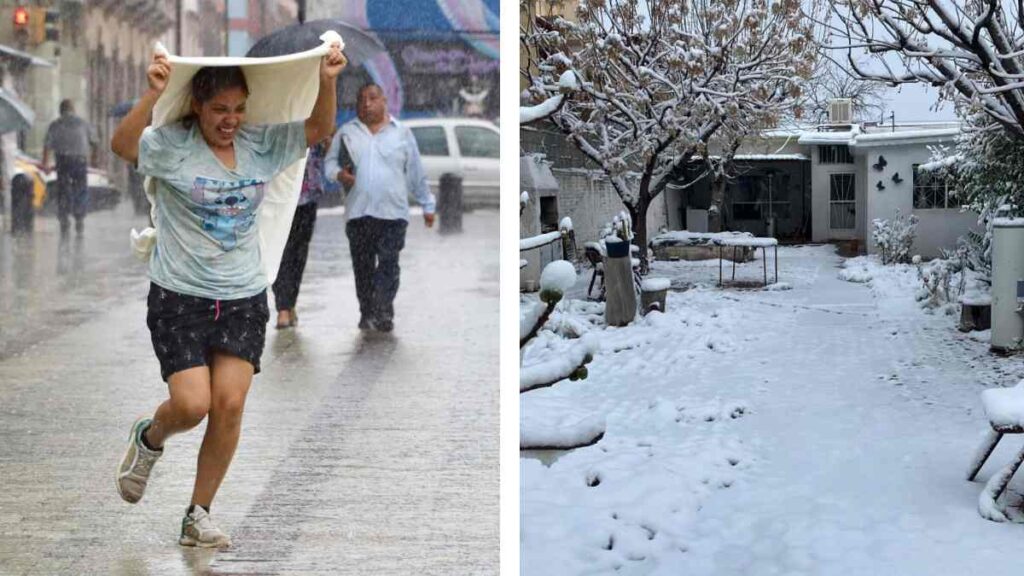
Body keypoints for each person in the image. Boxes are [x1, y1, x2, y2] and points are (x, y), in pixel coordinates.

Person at [109, 42, 346, 547]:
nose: (230, 120)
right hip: (180, 296)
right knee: (193, 404)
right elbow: (123, 146)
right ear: (198, 105)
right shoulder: (172, 145)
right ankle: (149, 439)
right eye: (220, 109)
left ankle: (198, 513)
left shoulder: (261, 144)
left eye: (238, 109)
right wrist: (152, 93)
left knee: (230, 405)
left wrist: (326, 79)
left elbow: (317, 129)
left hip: (241, 296)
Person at [325, 83, 435, 333]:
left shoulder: (402, 134)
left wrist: (428, 204)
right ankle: (367, 312)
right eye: (361, 99)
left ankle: (383, 311)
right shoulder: (346, 133)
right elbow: (329, 165)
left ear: (384, 100)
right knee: (362, 268)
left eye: (372, 98)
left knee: (388, 263)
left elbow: (416, 172)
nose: (366, 103)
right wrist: (339, 174)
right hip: (358, 214)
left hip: (392, 214)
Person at [272, 135, 330, 329]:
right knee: (283, 251)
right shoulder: (280, 122)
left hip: (306, 197)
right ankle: (284, 307)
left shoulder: (316, 123)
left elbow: (326, 153)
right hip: (281, 197)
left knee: (296, 253)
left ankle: (288, 305)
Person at [43, 99, 98, 237]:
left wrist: (45, 164)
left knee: (63, 189)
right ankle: (79, 218)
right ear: (73, 110)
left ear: (61, 111)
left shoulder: (55, 125)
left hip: (63, 160)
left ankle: (64, 219)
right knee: (80, 188)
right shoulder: (83, 123)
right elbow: (94, 142)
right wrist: (94, 160)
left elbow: (47, 145)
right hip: (80, 160)